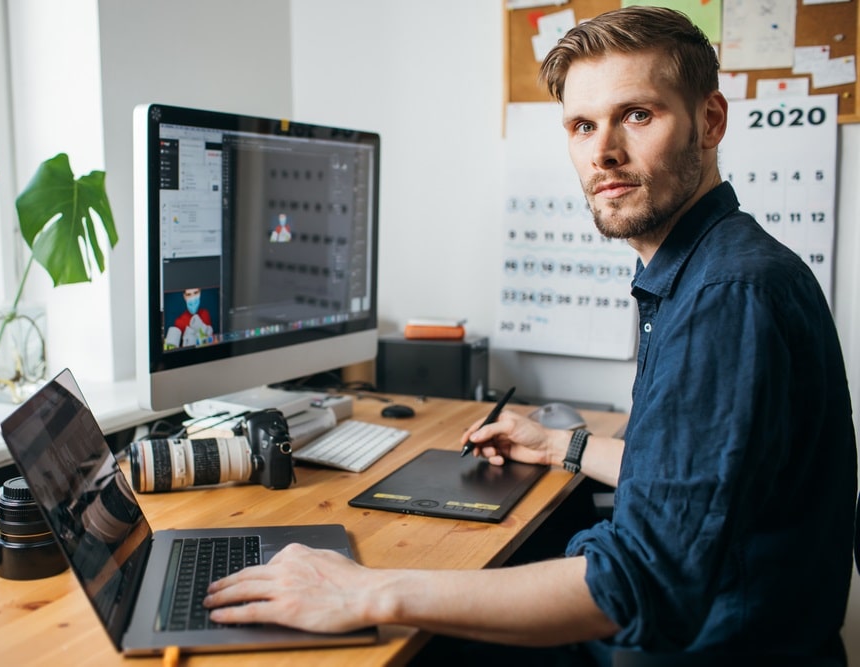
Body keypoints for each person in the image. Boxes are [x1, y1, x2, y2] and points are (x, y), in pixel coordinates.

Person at [203, 7, 857, 663]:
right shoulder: (714, 268)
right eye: (582, 125)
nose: (603, 150)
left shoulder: (724, 299)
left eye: (638, 115)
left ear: (709, 121)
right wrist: (561, 445)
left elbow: (631, 587)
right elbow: (692, 482)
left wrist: (368, 590)